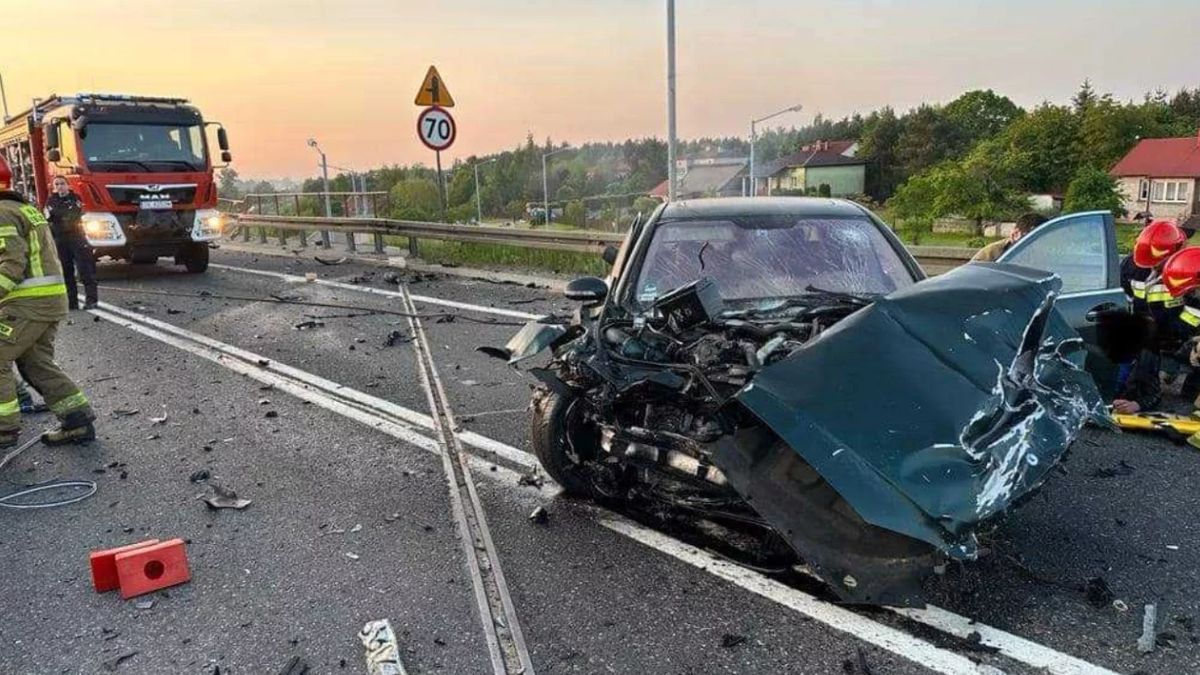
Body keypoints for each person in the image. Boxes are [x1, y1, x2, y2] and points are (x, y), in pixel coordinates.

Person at [0, 156, 96, 448]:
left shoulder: (2, 212)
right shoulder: (23, 208)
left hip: (28, 303)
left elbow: (10, 263)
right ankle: (77, 420)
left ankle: (4, 430)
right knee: (35, 362)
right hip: (47, 301)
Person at [1112, 220, 1189, 413]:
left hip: (1182, 331)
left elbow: (1193, 315)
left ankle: (1147, 393)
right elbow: (1122, 295)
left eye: (1158, 258)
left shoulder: (1189, 269)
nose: (1152, 264)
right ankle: (1118, 387)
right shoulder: (1132, 265)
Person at [44, 175, 97, 310]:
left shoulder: (75, 198)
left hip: (77, 237)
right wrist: (60, 215)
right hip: (60, 239)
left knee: (85, 269)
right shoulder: (51, 201)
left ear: (68, 185)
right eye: (56, 184)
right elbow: (49, 216)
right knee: (66, 271)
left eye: (62, 183)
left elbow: (73, 213)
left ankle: (91, 300)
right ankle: (71, 302)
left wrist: (59, 215)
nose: (59, 186)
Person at [970, 212, 1048, 263]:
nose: (1040, 243)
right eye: (1034, 238)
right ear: (1016, 234)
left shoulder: (1042, 257)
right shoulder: (991, 253)